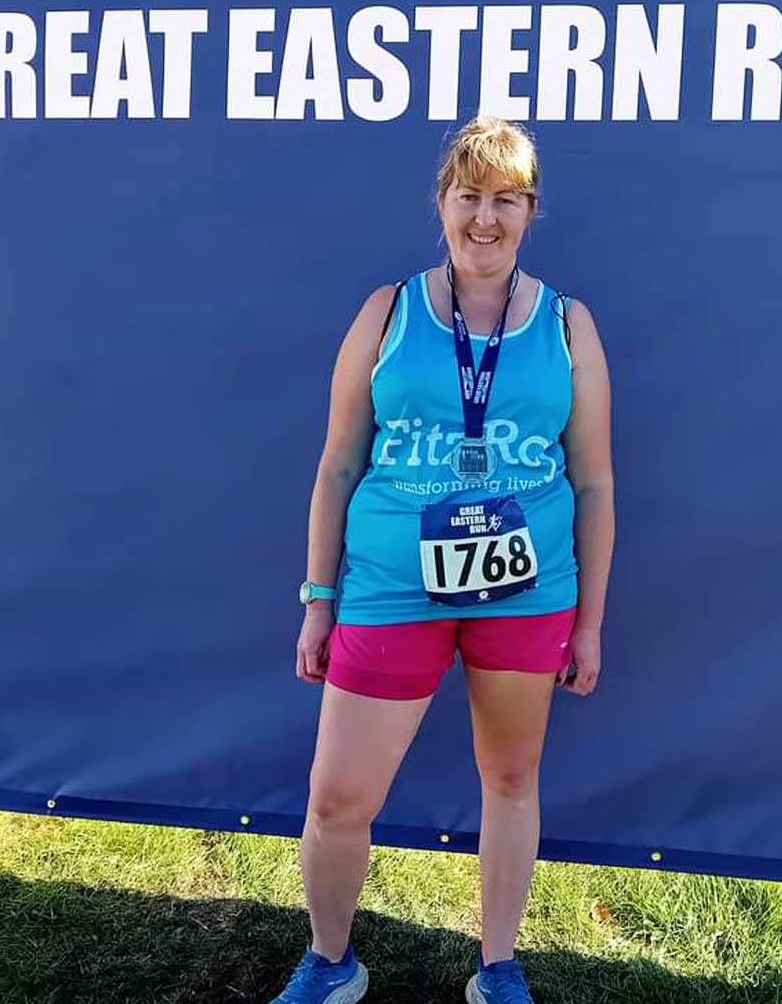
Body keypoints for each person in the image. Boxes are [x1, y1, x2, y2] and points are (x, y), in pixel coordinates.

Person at [270, 115, 614, 1004]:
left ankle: (498, 968)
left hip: (526, 590)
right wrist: (318, 597)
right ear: (443, 203)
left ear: (532, 210)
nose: (486, 220)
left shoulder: (570, 327)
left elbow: (595, 486)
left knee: (509, 779)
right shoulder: (387, 311)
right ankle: (331, 963)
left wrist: (591, 622)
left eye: (506, 200)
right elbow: (338, 462)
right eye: (470, 197)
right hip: (390, 587)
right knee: (339, 795)